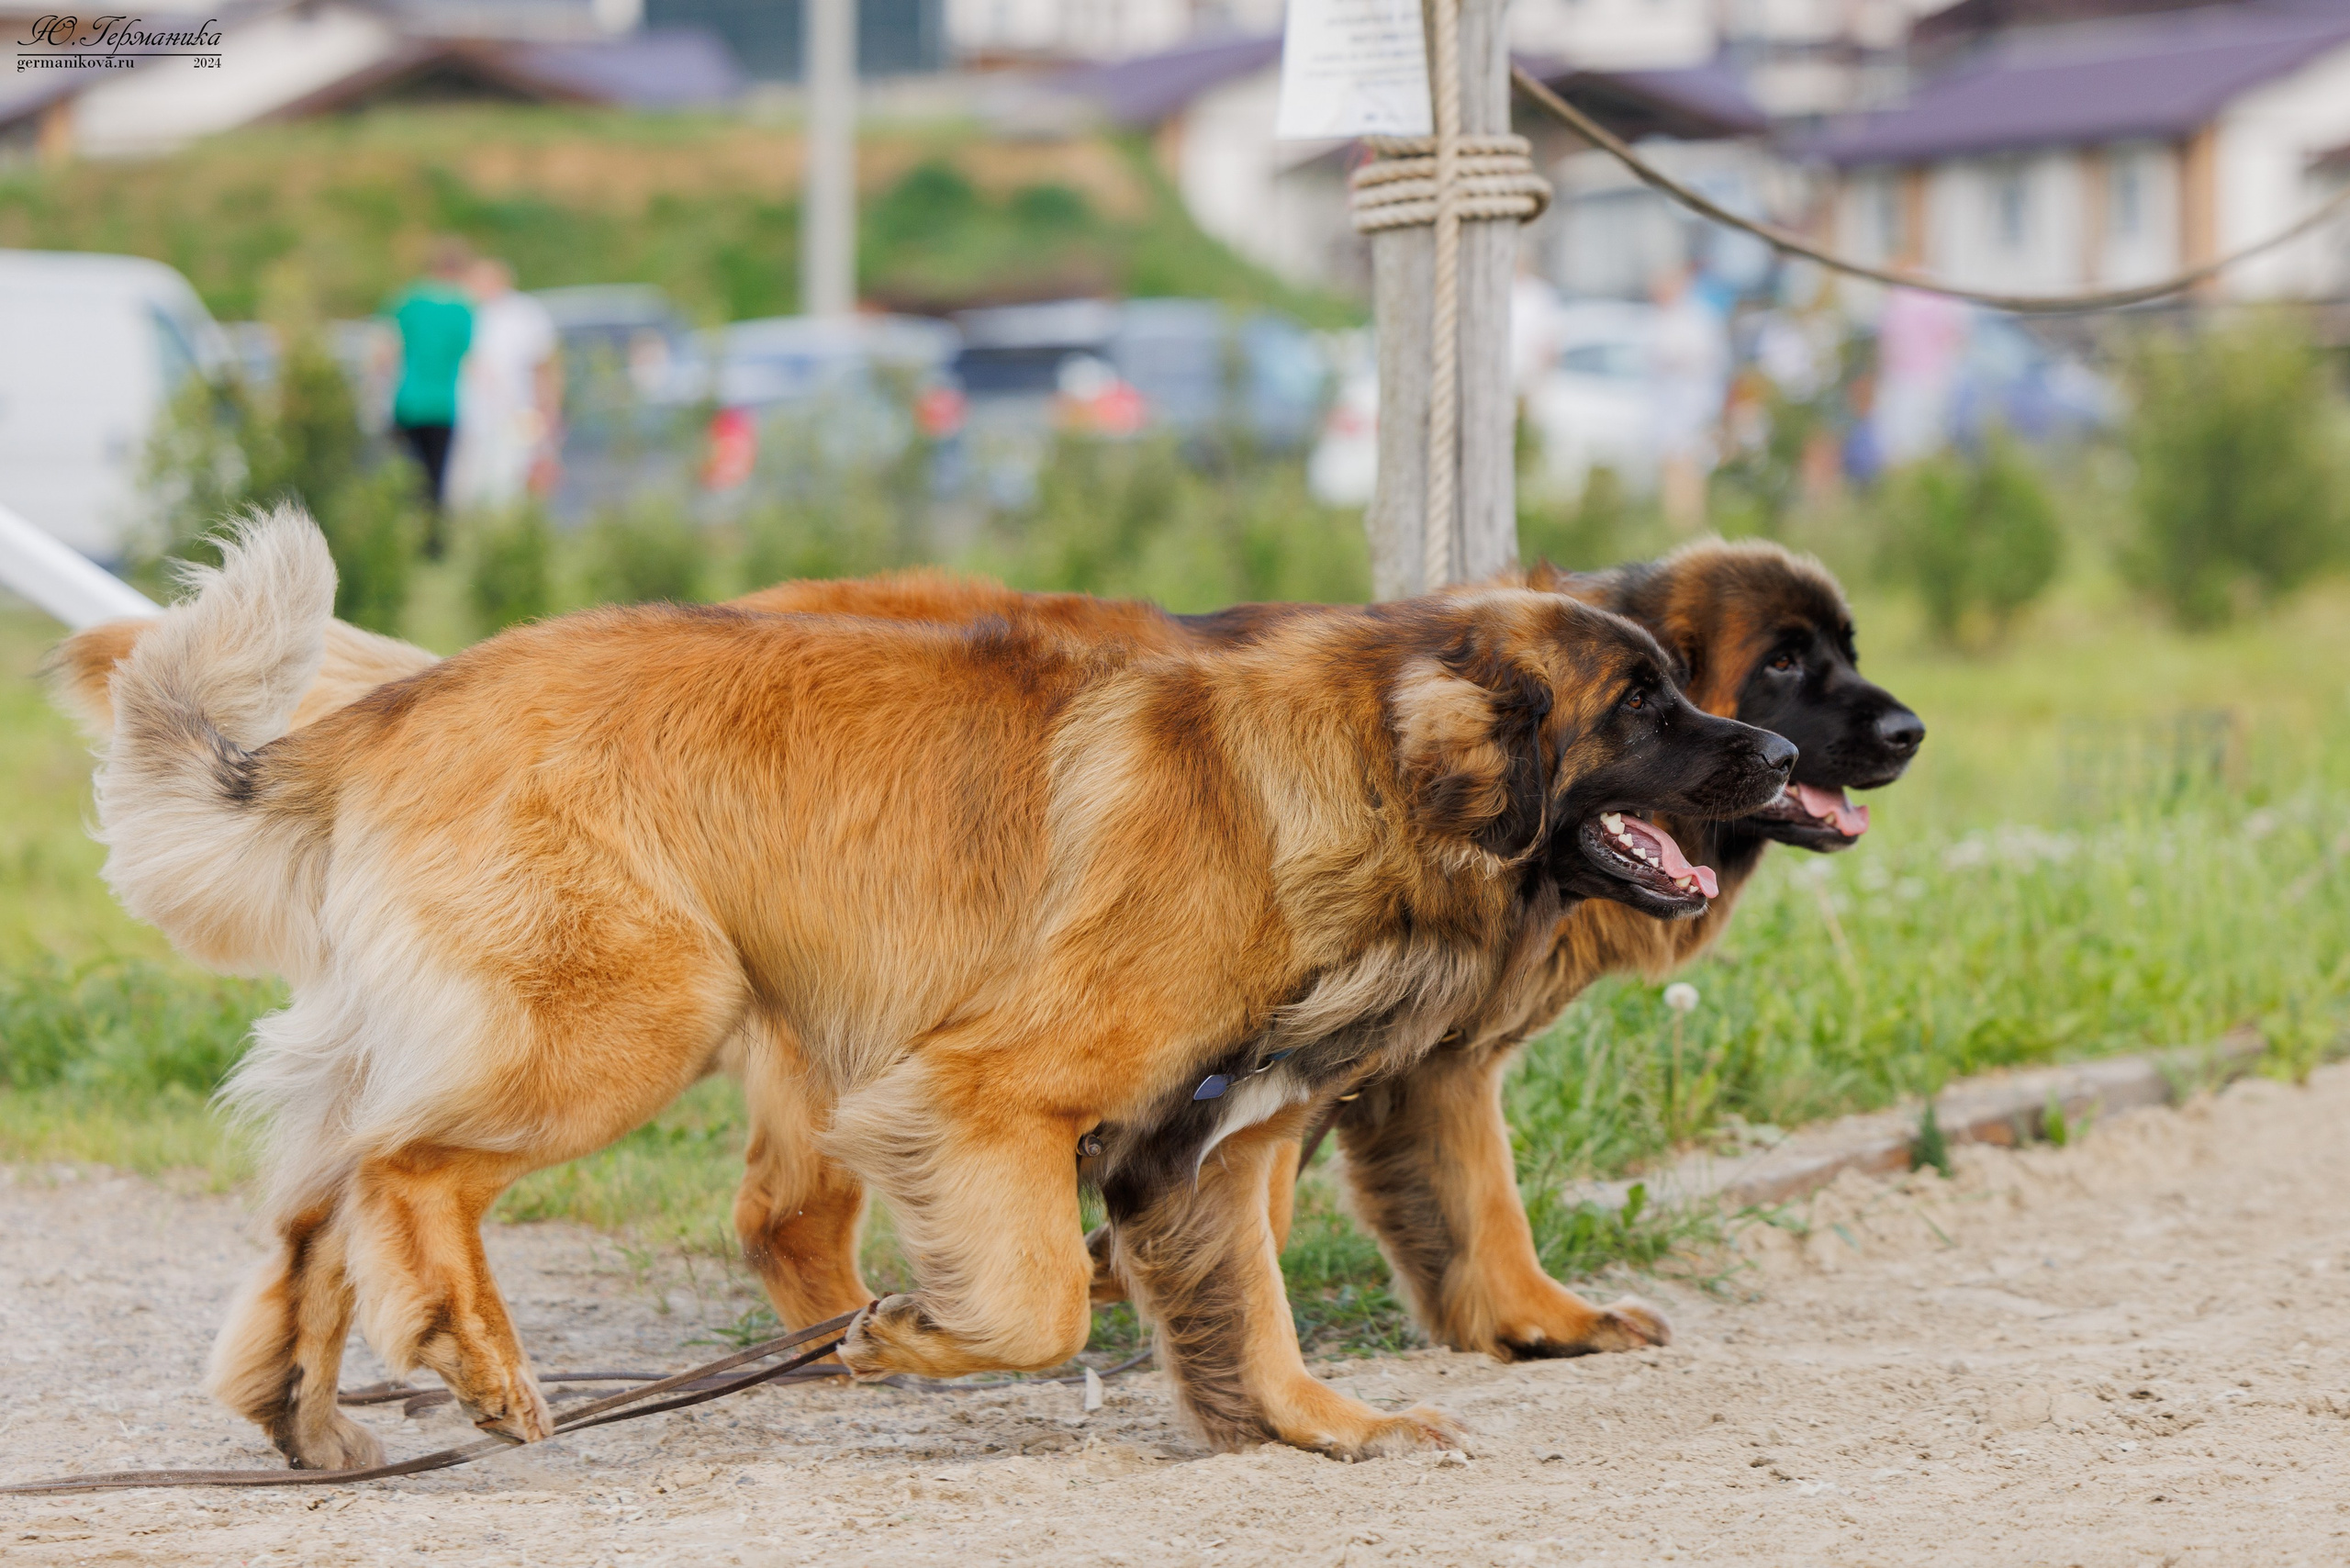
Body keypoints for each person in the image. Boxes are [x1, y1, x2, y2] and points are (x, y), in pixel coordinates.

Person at [383, 238, 475, 554]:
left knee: (407, 475)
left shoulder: (409, 300)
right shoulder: (463, 309)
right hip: (443, 405)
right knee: (438, 477)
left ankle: (401, 536)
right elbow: (468, 356)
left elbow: (386, 351)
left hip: (408, 401)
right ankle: (434, 544)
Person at [450, 257, 560, 513]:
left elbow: (542, 366)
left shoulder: (524, 313)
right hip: (467, 415)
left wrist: (549, 410)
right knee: (465, 487)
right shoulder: (463, 311)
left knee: (512, 479)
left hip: (517, 411)